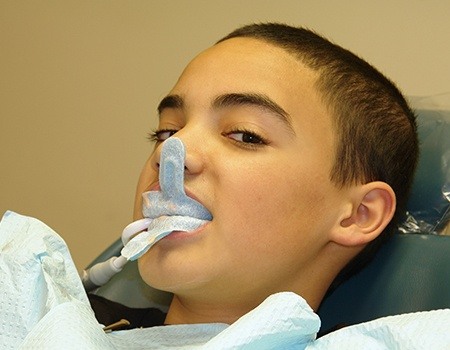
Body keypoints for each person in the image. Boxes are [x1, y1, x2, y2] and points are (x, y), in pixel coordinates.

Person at [89, 22, 419, 330]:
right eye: (166, 131)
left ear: (358, 215)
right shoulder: (56, 320)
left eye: (246, 135)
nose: (170, 153)